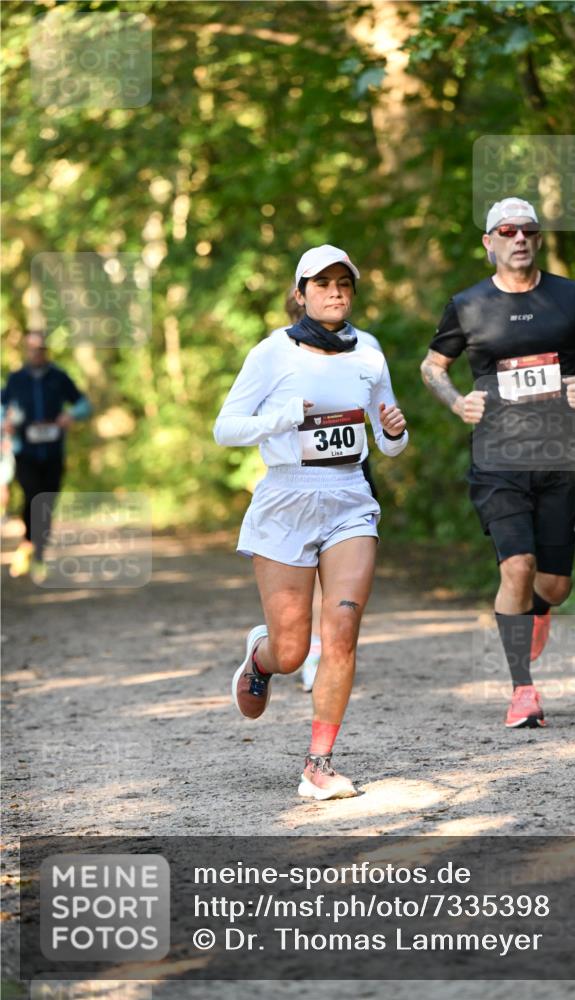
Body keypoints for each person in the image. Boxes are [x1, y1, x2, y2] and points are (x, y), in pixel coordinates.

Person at [214, 244, 408, 799]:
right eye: (321, 283)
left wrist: (393, 430)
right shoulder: (272, 354)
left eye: (343, 283)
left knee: (341, 631)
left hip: (349, 497)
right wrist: (283, 417)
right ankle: (261, 656)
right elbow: (226, 428)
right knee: (293, 650)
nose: (335, 291)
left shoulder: (368, 354)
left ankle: (318, 765)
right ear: (300, 294)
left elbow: (390, 442)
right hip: (287, 501)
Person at [420, 197, 575, 729]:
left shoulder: (571, 297)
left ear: (537, 238)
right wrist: (457, 401)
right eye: (507, 231)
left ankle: (541, 609)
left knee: (553, 586)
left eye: (528, 231)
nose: (519, 239)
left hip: (560, 459)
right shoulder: (466, 305)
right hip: (498, 460)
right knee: (517, 566)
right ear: (489, 242)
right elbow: (433, 367)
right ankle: (522, 692)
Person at [272, 286, 385, 693]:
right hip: (298, 475)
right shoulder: (277, 350)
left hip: (350, 470)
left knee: (341, 564)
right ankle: (311, 648)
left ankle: (331, 644)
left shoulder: (366, 346)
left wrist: (391, 430)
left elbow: (381, 407)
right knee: (309, 566)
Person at [1, 331, 92, 582]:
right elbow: (2, 407)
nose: (36, 353)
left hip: (53, 452)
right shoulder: (17, 379)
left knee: (47, 502)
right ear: (26, 351)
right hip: (25, 451)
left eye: (41, 349)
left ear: (46, 351)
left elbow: (84, 404)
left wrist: (71, 415)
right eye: (32, 349)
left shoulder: (58, 377)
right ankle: (31, 546)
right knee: (33, 496)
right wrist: (4, 424)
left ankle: (37, 553)